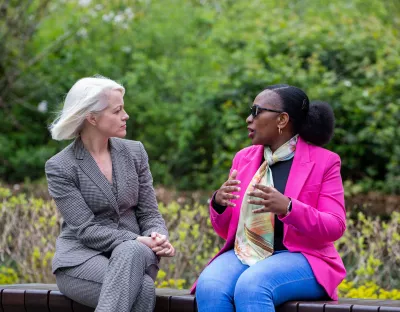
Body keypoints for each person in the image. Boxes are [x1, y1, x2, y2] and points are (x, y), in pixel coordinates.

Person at [194, 84, 346, 312]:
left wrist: (289, 208)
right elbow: (229, 233)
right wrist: (219, 203)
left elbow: (335, 226)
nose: (248, 119)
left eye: (256, 111)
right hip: (247, 253)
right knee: (209, 286)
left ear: (282, 120)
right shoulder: (243, 159)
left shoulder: (325, 162)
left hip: (303, 257)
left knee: (252, 285)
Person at [45, 76, 175, 312]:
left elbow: (150, 214)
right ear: (92, 117)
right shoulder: (60, 166)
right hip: (80, 261)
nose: (126, 116)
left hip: (136, 256)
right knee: (143, 289)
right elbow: (86, 230)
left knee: (132, 250)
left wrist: (157, 237)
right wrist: (135, 240)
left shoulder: (135, 152)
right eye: (117, 110)